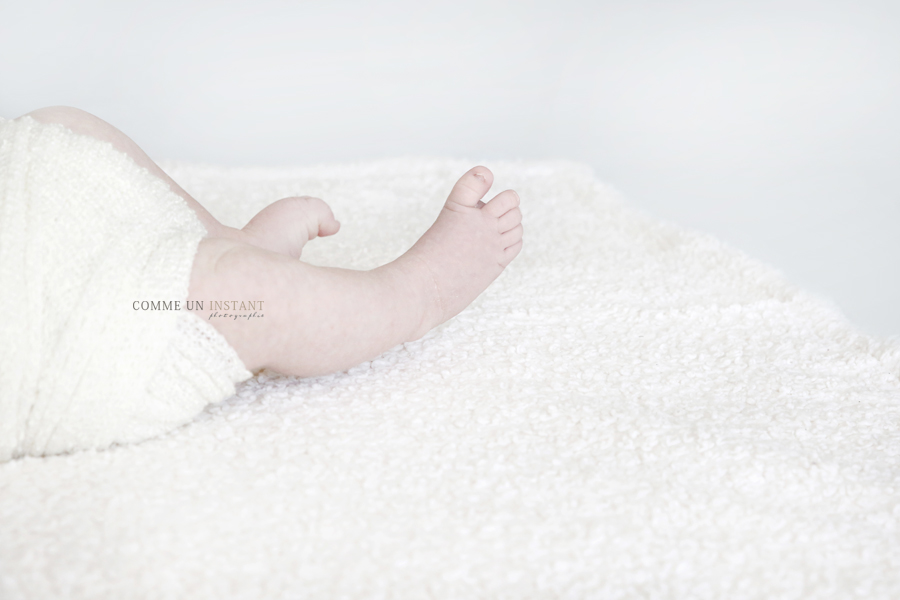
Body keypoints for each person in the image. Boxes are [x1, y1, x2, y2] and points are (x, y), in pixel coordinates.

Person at [0, 106, 524, 460]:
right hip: (68, 335)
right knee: (243, 295)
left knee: (59, 127)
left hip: (33, 236)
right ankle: (418, 292)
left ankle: (220, 242)